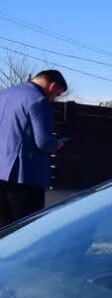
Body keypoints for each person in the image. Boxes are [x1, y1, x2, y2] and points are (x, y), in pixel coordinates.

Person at [0, 70, 67, 226]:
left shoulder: (4, 95)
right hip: (24, 176)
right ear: (52, 86)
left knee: (3, 229)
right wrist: (56, 144)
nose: (55, 99)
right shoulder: (38, 101)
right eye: (57, 94)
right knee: (27, 229)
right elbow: (44, 142)